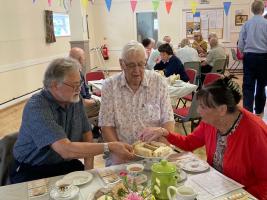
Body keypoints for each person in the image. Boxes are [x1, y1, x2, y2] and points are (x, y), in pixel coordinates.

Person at [139, 76, 267, 199]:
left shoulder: (255, 131)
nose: (198, 111)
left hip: (242, 194)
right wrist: (164, 132)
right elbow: (189, 143)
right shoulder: (211, 122)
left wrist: (237, 196)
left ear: (222, 109)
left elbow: (264, 184)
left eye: (203, 107)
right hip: (216, 187)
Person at [10, 58, 134, 183]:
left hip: (63, 165)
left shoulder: (75, 100)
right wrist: (110, 146)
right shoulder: (37, 106)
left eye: (79, 83)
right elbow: (65, 150)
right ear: (54, 85)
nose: (79, 89)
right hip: (32, 169)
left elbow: (87, 135)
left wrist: (89, 170)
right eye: (74, 85)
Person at [98, 41, 174, 166]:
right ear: (121, 64)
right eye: (131, 65)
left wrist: (161, 149)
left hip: (154, 154)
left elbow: (168, 120)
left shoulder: (158, 82)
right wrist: (119, 150)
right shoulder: (109, 86)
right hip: (121, 152)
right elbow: (106, 126)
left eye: (141, 64)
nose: (137, 71)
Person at [238, 0, 267, 117]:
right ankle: (259, 112)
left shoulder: (246, 24)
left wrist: (244, 52)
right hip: (264, 57)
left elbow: (240, 43)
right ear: (262, 9)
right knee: (261, 85)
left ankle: (247, 112)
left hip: (249, 56)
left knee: (248, 86)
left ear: (251, 10)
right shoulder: (266, 24)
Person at [69, 48, 100, 123]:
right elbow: (81, 101)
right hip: (79, 108)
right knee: (107, 106)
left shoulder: (74, 71)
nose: (84, 61)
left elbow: (84, 93)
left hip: (81, 103)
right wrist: (97, 101)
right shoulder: (75, 75)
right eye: (83, 59)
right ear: (80, 60)